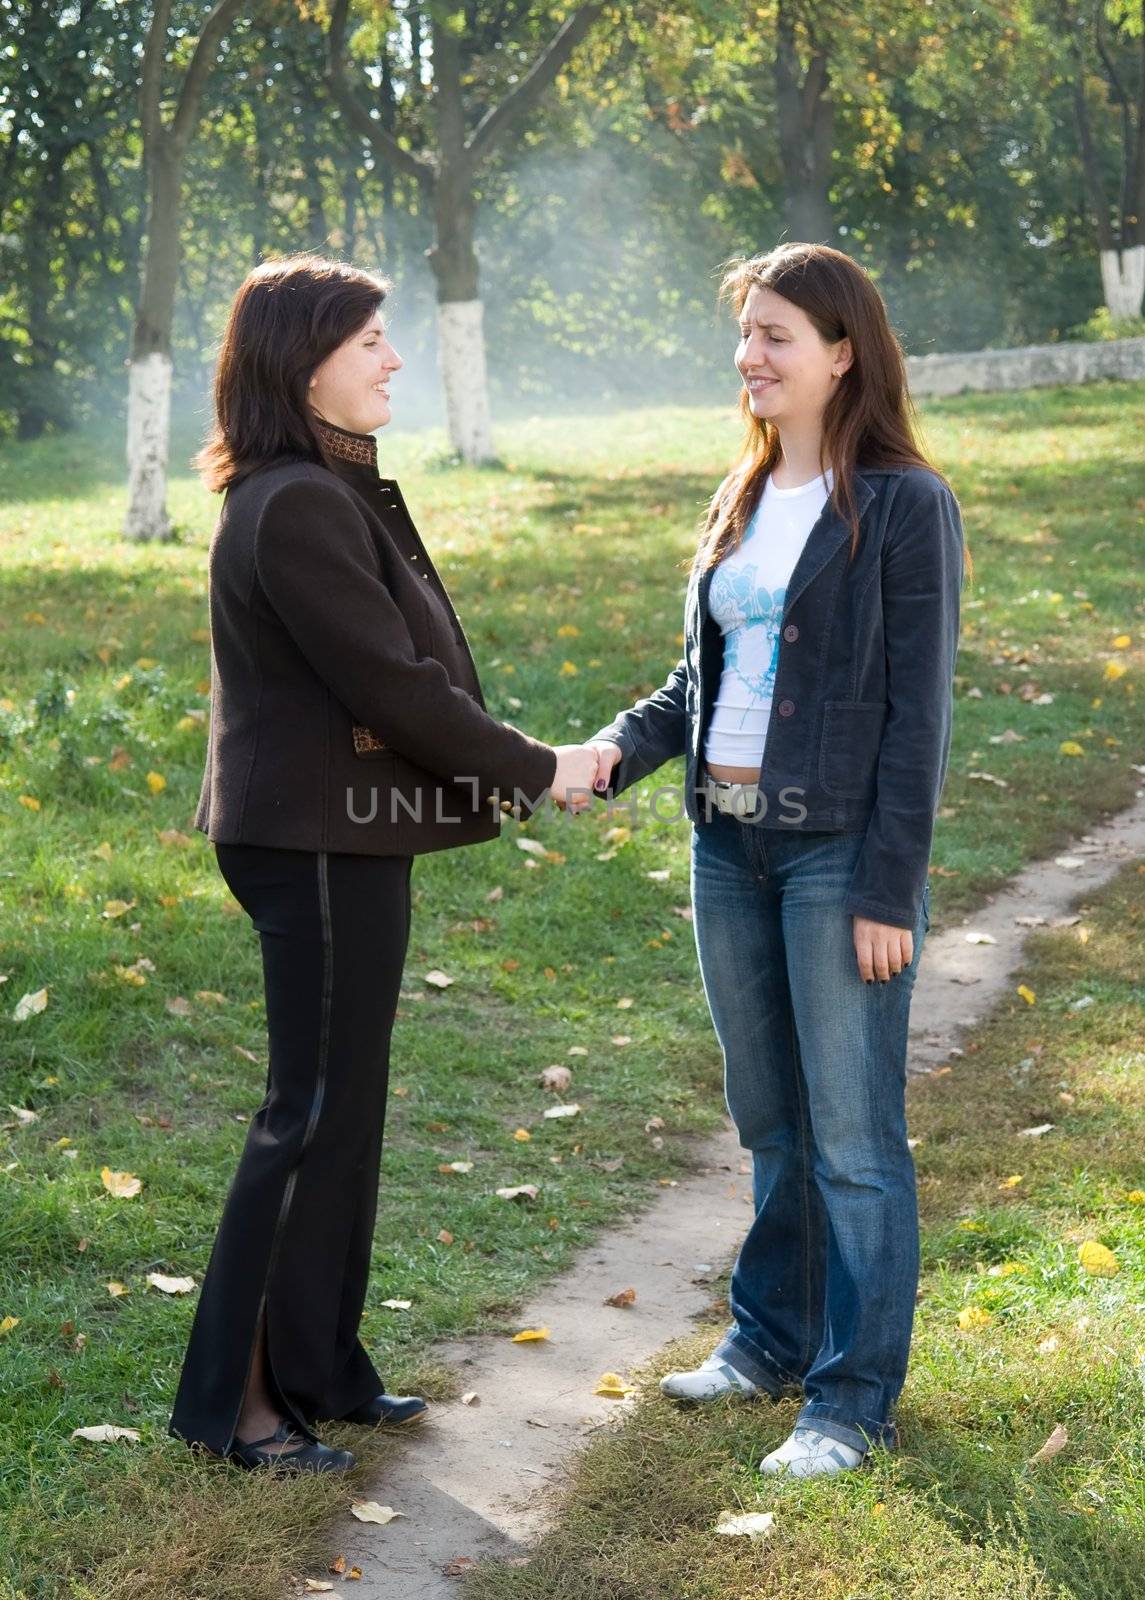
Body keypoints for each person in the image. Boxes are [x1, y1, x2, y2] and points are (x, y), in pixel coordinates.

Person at [168, 254, 598, 1474]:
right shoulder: (297, 501)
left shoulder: (317, 486)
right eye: (369, 341)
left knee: (344, 1107)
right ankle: (238, 1406)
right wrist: (533, 764)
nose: (393, 359)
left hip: (333, 833)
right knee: (306, 1113)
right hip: (308, 837)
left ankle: (319, 1369)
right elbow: (389, 685)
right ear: (302, 363)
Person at [585, 242, 970, 1479]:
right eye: (744, 333)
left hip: (836, 853)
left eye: (775, 336)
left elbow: (918, 718)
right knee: (769, 1122)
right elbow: (697, 683)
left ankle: (849, 1401)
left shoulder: (902, 504)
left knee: (853, 1137)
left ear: (842, 352)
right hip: (725, 847)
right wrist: (608, 751)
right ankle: (767, 1342)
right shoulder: (742, 497)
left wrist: (883, 887)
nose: (748, 355)